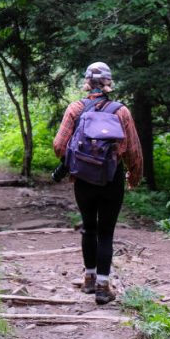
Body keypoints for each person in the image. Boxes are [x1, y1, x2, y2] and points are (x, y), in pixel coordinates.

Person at [52, 62, 143, 305]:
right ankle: (104, 286)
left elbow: (59, 146)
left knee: (88, 228)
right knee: (106, 232)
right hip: (111, 179)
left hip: (83, 179)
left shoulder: (76, 109)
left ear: (87, 83)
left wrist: (73, 162)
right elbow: (133, 150)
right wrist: (134, 176)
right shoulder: (121, 111)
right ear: (108, 83)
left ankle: (89, 280)